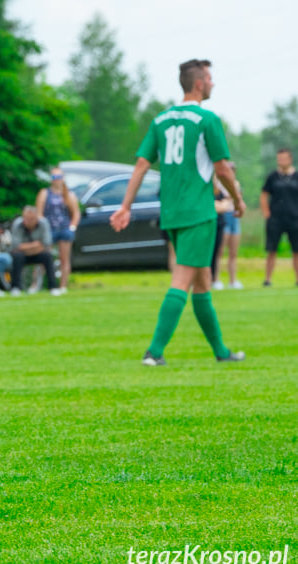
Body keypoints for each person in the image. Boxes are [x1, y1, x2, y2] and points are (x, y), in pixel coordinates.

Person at [110, 58, 246, 366]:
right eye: (210, 78)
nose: (212, 83)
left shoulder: (160, 120)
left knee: (202, 280)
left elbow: (142, 164)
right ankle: (154, 352)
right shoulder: (207, 119)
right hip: (198, 212)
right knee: (183, 278)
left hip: (171, 213)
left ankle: (221, 352)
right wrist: (237, 200)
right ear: (199, 84)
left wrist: (125, 206)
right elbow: (222, 168)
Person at [36, 167, 80, 294]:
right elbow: (39, 213)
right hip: (48, 230)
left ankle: (63, 286)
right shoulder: (45, 193)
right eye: (54, 177)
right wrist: (41, 230)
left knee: (64, 259)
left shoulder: (69, 195)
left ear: (63, 179)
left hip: (64, 229)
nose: (57, 180)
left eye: (59, 177)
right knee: (44, 258)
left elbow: (75, 213)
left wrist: (72, 227)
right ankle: (37, 284)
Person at [260, 148, 298, 287]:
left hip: (294, 218)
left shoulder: (296, 176)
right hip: (276, 219)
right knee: (271, 250)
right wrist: (266, 212)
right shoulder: (272, 177)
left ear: (290, 159)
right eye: (279, 159)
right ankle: (268, 279)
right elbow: (264, 194)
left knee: (296, 251)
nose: (280, 161)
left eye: (283, 158)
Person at [8, 206, 60, 297]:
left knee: (47, 255)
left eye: (31, 219)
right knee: (17, 256)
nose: (28, 221)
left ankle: (53, 287)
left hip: (38, 254)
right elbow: (16, 246)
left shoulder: (43, 223)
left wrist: (26, 247)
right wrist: (36, 245)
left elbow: (46, 245)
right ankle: (15, 287)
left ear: (36, 218)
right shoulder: (17, 224)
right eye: (26, 219)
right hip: (22, 255)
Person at [210, 173, 235, 290]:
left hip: (218, 225)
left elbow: (226, 205)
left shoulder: (218, 191)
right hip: (205, 225)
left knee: (215, 253)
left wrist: (217, 205)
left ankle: (213, 280)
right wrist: (217, 206)